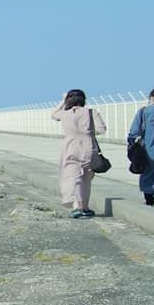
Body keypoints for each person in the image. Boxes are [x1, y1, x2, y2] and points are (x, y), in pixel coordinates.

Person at [50, 89, 105, 218]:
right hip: (88, 147)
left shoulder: (65, 114)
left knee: (74, 177)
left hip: (70, 147)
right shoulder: (91, 112)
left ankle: (77, 206)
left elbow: (53, 114)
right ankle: (85, 207)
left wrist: (62, 101)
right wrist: (89, 133)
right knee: (87, 177)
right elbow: (102, 129)